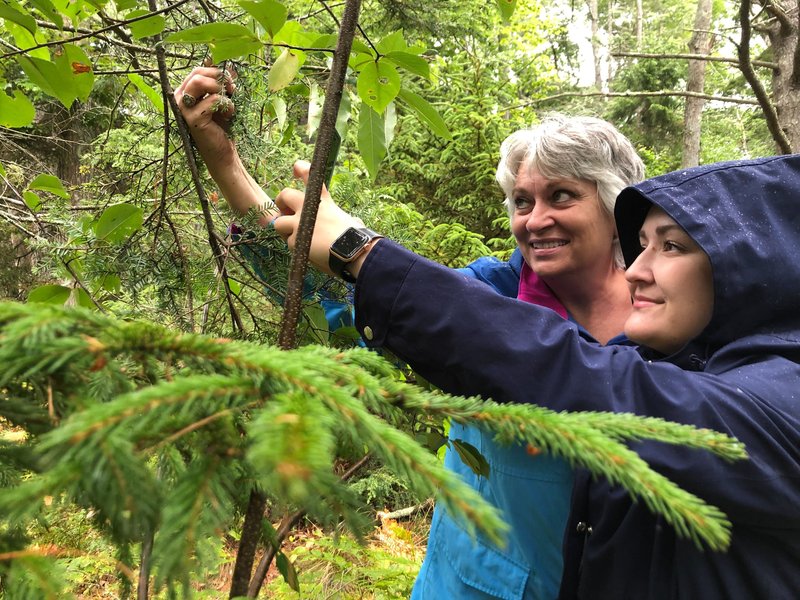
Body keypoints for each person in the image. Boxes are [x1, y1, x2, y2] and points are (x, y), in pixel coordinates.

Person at [174, 67, 645, 598]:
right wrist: (223, 160)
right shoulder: (492, 291)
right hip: (468, 586)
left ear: (614, 206)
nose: (534, 220)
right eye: (522, 201)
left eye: (561, 196)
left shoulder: (667, 321)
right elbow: (336, 294)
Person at [272, 153, 800, 598]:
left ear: (750, 266)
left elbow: (574, 372)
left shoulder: (773, 398)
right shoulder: (692, 352)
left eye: (672, 245)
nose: (638, 267)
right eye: (522, 202)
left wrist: (365, 255)